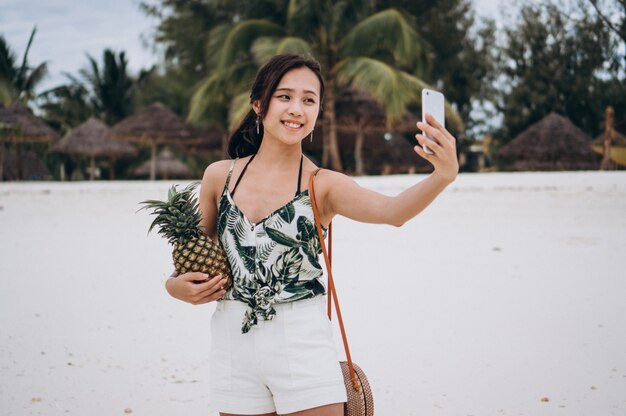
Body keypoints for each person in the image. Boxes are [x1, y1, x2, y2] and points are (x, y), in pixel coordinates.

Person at [165, 53, 458, 416]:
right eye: (284, 96)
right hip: (231, 342)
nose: (296, 109)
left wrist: (441, 176)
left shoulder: (323, 185)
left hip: (300, 341)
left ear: (318, 112)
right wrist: (174, 286)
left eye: (309, 100)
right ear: (259, 104)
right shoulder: (218, 177)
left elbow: (392, 212)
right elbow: (192, 252)